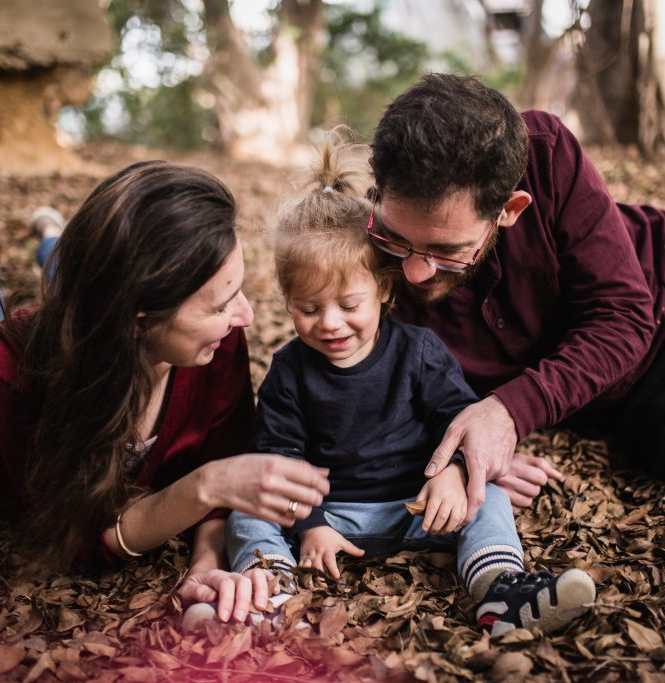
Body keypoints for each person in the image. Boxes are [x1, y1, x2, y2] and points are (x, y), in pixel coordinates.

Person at [368, 73, 665, 526]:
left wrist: (510, 410)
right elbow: (342, 387)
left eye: (447, 251)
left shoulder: (544, 151)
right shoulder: (356, 259)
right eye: (396, 239)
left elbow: (624, 317)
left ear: (511, 210)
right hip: (652, 402)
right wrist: (458, 453)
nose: (414, 271)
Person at [218, 139, 596, 636]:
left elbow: (456, 420)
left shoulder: (419, 352)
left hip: (417, 507)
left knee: (492, 498)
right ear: (288, 301)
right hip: (333, 515)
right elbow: (281, 458)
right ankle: (269, 601)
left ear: (384, 290)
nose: (330, 323)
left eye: (348, 305)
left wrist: (454, 473)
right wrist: (312, 527)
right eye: (309, 309)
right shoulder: (290, 371)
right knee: (245, 515)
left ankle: (501, 590)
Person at [0, 161, 331, 624]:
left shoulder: (215, 341)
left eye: (238, 290)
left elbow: (225, 463)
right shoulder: (1, 371)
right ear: (138, 319)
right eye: (222, 302)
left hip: (97, 307)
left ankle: (52, 233)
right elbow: (73, 537)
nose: (244, 315)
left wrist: (202, 569)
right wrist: (203, 486)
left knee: (70, 276)